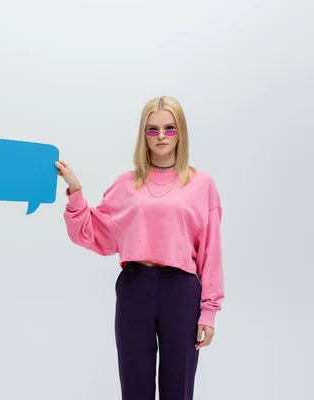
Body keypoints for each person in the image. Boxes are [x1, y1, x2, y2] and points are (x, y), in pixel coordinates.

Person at [55, 96, 224, 400]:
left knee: (179, 389)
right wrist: (76, 192)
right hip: (135, 287)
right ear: (143, 135)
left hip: (181, 291)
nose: (161, 136)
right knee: (135, 388)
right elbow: (92, 232)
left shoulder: (201, 184)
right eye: (153, 129)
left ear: (181, 132)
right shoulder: (126, 184)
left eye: (170, 128)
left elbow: (211, 250)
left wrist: (209, 312)